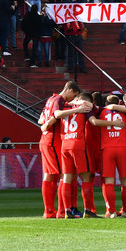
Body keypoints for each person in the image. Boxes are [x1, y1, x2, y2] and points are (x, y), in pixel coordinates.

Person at [37, 81, 83, 218]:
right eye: (73, 95)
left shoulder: (51, 98)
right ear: (69, 90)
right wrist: (77, 110)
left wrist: (44, 124)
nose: (72, 99)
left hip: (46, 139)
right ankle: (62, 211)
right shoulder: (59, 99)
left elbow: (41, 118)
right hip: (53, 140)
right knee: (64, 174)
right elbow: (56, 114)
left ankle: (49, 211)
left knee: (50, 175)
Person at [98, 94, 126, 218]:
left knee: (109, 181)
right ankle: (125, 211)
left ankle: (111, 211)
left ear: (106, 104)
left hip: (107, 149)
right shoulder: (124, 112)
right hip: (123, 148)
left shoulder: (101, 112)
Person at [22, 3, 42, 67]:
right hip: (36, 35)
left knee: (25, 43)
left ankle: (27, 55)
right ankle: (32, 62)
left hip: (29, 34)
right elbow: (40, 25)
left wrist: (26, 31)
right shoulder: (38, 17)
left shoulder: (27, 15)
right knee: (34, 49)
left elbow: (23, 24)